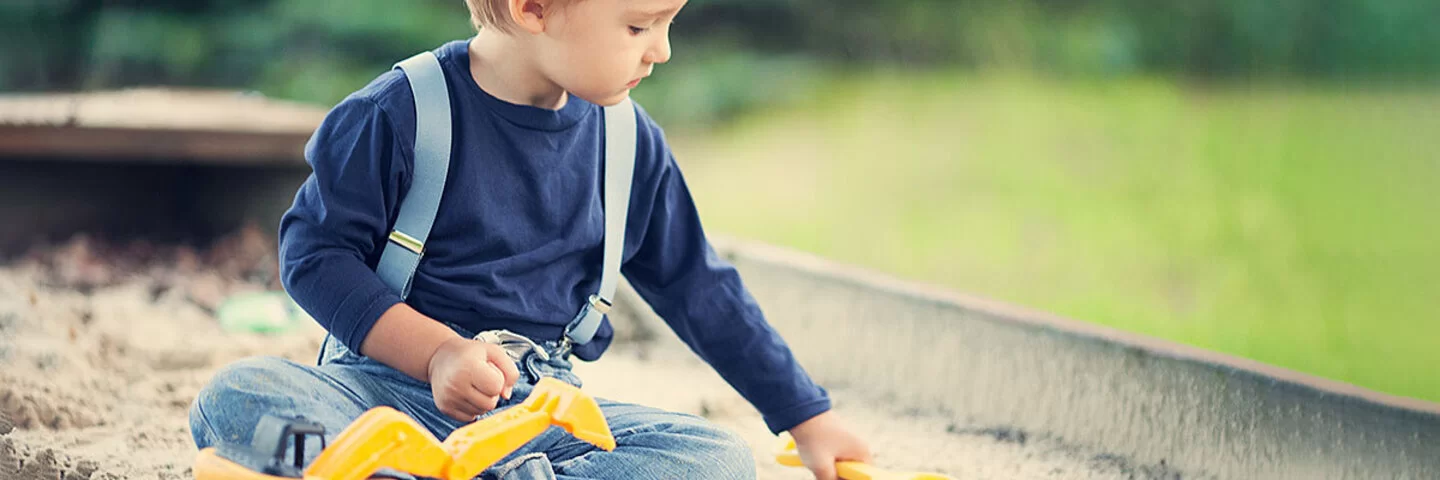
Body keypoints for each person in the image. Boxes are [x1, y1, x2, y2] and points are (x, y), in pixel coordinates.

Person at [188, 0, 870, 478]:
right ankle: (383, 468)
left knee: (714, 461)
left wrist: (805, 418)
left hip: (539, 415)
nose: (661, 50)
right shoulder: (400, 114)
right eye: (640, 24)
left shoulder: (629, 146)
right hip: (380, 396)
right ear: (533, 8)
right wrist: (437, 356)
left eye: (668, 23)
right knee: (240, 395)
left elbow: (700, 288)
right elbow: (313, 257)